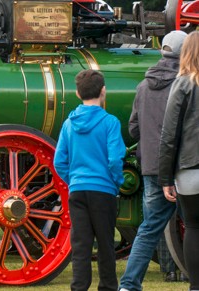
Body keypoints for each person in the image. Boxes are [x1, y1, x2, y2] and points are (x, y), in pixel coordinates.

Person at [119, 30, 187, 291]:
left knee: (148, 230)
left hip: (151, 168)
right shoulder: (186, 83)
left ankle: (129, 284)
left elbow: (134, 128)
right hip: (181, 167)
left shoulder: (143, 86)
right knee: (193, 225)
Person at [54, 69, 125, 291]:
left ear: (77, 93)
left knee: (81, 245)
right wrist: (116, 182)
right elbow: (114, 159)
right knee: (105, 243)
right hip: (103, 189)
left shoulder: (68, 124)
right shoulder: (110, 122)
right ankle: (107, 287)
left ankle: (79, 287)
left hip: (77, 189)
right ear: (103, 91)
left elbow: (59, 162)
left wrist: (73, 179)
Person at [159, 30, 199, 289]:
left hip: (190, 168)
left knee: (194, 228)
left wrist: (165, 177)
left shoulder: (183, 84)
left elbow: (169, 134)